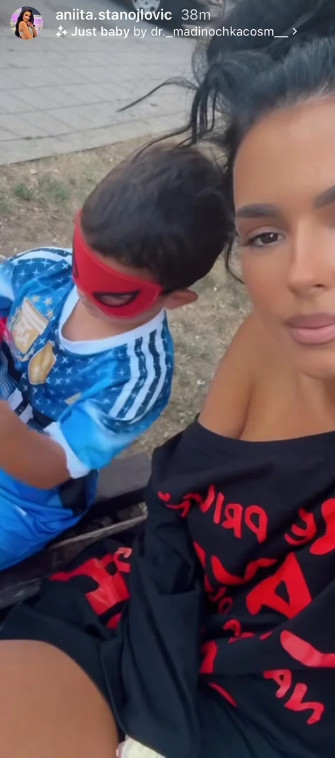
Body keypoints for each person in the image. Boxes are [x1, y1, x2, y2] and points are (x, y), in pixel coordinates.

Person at [1, 0, 335, 756]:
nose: (298, 273)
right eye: (265, 233)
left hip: (270, 714)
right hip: (130, 612)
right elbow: (175, 512)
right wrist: (155, 724)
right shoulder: (271, 339)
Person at [0, 143, 233, 570]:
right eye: (82, 263)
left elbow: (49, 470)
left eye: (113, 293)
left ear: (175, 298)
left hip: (24, 500)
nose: (82, 289)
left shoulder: (135, 378)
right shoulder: (45, 269)